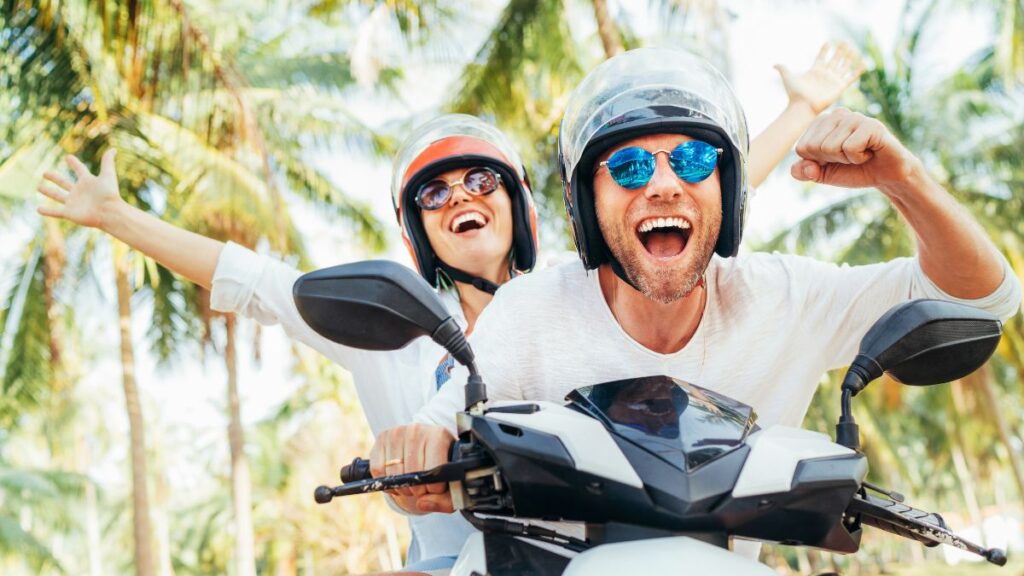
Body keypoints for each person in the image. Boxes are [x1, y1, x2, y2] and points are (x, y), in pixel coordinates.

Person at [35, 44, 864, 571]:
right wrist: (116, 218)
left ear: (528, 206)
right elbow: (252, 279)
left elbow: (687, 199)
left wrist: (800, 108)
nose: (460, 197)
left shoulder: (585, 295)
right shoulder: (388, 327)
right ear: (419, 231)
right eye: (434, 192)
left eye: (481, 180)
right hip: (465, 563)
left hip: (614, 548)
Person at [365, 46, 1022, 562]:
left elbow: (984, 298)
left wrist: (903, 180)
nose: (662, 184)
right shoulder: (528, 312)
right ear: (586, 209)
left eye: (692, 159)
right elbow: (444, 417)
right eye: (626, 169)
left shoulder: (783, 297)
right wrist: (419, 448)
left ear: (727, 189)